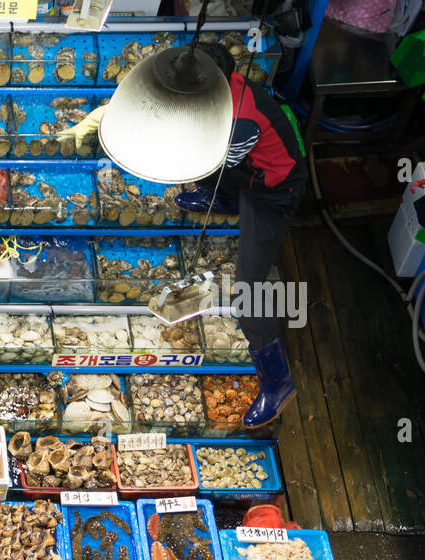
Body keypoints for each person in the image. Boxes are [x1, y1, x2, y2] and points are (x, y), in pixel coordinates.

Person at [63, 42, 307, 428]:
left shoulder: (238, 121)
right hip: (244, 169)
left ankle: (278, 383)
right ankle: (223, 196)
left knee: (249, 289)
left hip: (274, 190)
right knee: (206, 155)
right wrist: (101, 116)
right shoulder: (221, 89)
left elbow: (203, 153)